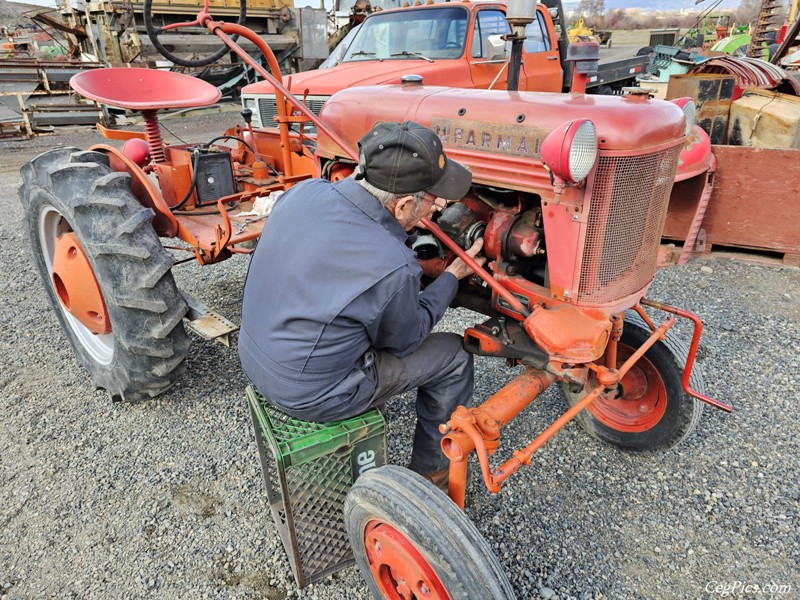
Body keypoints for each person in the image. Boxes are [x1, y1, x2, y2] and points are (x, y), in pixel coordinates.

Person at [238, 120, 484, 488]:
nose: (439, 207)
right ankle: (432, 477)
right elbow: (405, 340)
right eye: (433, 200)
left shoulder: (305, 191)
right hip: (310, 393)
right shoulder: (393, 266)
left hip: (257, 357)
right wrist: (452, 277)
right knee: (454, 355)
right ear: (402, 205)